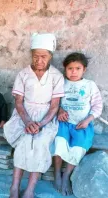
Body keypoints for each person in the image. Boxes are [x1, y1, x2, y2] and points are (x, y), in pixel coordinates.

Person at [3, 33, 65, 198]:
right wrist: (28, 122)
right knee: (24, 141)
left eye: (43, 56)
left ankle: (30, 190)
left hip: (46, 118)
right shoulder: (23, 74)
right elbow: (18, 102)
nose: (39, 60)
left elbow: (54, 106)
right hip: (23, 115)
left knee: (40, 143)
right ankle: (14, 188)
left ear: (50, 56)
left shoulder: (56, 76)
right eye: (35, 56)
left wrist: (41, 124)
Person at [53, 52, 103, 196]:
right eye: (70, 68)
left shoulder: (89, 85)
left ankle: (66, 176)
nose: (73, 72)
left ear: (84, 70)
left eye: (77, 68)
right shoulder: (61, 83)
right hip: (63, 123)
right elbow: (54, 102)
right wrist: (59, 110)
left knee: (79, 148)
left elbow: (97, 106)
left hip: (82, 125)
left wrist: (88, 120)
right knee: (58, 144)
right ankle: (57, 173)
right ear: (65, 69)